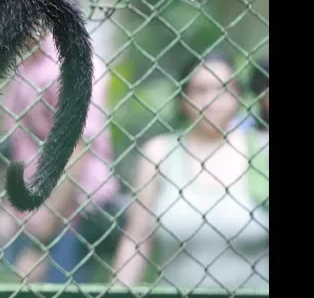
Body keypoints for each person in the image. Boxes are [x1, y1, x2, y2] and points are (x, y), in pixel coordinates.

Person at [112, 51, 269, 291]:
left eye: (223, 89)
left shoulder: (262, 150)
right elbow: (136, 238)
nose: (212, 100)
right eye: (201, 90)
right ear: (184, 98)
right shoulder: (160, 153)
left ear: (238, 96)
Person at [0, 34, 122, 283]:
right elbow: (14, 142)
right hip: (23, 217)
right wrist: (4, 209)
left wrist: (39, 243)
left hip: (66, 221)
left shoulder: (71, 64)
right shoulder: (23, 63)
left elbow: (77, 152)